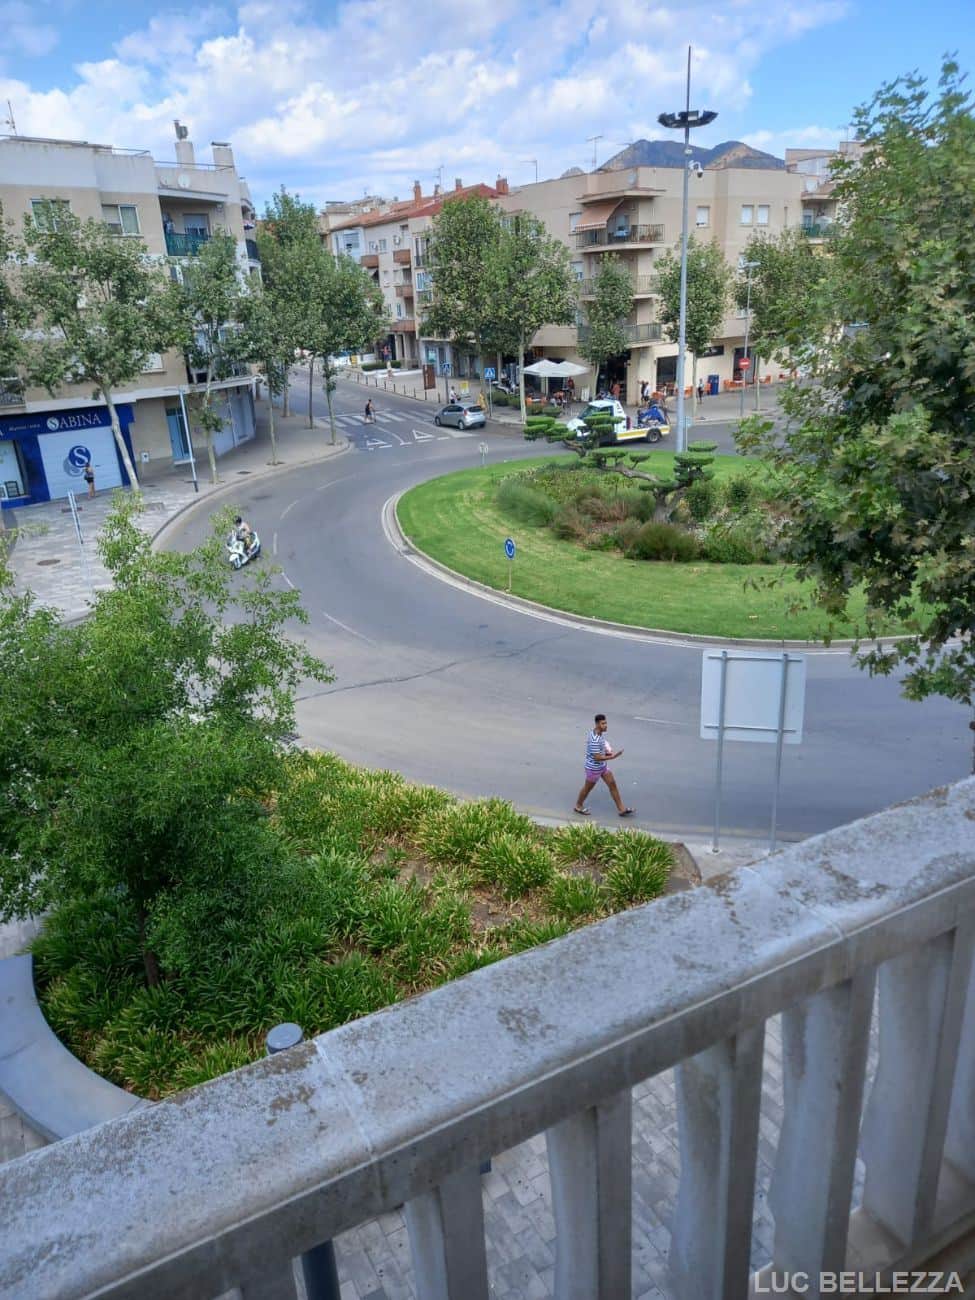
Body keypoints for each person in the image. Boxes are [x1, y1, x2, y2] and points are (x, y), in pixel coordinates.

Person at [574, 713, 634, 817]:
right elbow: (597, 757)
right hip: (593, 769)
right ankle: (578, 806)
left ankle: (621, 809)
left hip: (602, 766)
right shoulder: (595, 739)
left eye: (606, 723)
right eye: (603, 723)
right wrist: (612, 756)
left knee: (612, 784)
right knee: (587, 789)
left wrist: (607, 751)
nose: (606, 725)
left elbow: (600, 750)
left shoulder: (598, 734)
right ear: (597, 724)